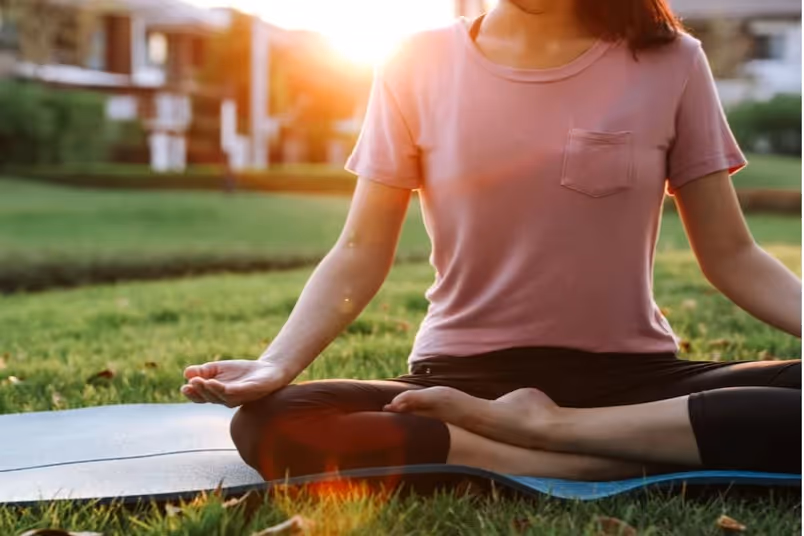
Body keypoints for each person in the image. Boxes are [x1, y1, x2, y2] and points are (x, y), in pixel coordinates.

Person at [181, 0, 802, 481]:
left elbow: (732, 256)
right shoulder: (413, 63)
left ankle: (551, 432)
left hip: (637, 383)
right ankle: (598, 454)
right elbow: (358, 250)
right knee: (275, 423)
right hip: (463, 384)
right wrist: (278, 363)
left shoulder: (673, 61)